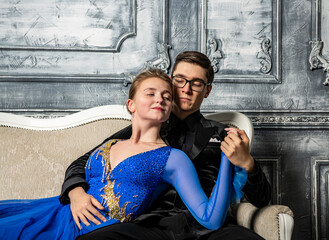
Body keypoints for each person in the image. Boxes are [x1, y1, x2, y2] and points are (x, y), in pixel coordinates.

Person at [0, 69, 242, 240]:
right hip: (55, 212)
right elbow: (78, 168)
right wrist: (75, 193)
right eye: (150, 93)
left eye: (167, 97)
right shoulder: (111, 143)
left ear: (169, 111)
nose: (160, 98)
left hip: (96, 232)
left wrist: (227, 160)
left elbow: (211, 219)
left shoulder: (173, 158)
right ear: (131, 105)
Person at [61, 51, 271, 240]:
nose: (186, 89)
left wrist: (249, 164)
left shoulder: (223, 134)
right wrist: (76, 193)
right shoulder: (143, 126)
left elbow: (262, 199)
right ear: (171, 82)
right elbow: (84, 162)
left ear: (207, 91)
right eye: (180, 80)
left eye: (196, 83)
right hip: (151, 225)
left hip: (210, 228)